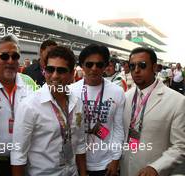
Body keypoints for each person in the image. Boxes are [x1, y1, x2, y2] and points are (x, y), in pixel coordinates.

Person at [11, 46, 87, 176]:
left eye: (61, 70)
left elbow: (80, 144)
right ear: (44, 71)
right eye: (50, 69)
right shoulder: (29, 106)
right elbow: (18, 154)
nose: (55, 75)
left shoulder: (77, 103)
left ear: (71, 73)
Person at [0, 34, 37, 176]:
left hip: (27, 160)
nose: (10, 61)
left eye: (15, 56)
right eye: (4, 56)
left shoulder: (29, 82)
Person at [120, 47, 185, 176]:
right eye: (132, 66)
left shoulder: (177, 101)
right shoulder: (126, 97)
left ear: (154, 67)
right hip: (125, 169)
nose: (136, 70)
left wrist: (156, 168)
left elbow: (180, 146)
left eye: (142, 65)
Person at [70, 44, 125, 176]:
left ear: (105, 66)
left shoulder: (117, 92)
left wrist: (115, 159)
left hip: (105, 163)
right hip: (76, 161)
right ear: (82, 66)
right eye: (89, 64)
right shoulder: (71, 91)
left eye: (99, 65)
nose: (94, 69)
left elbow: (118, 128)